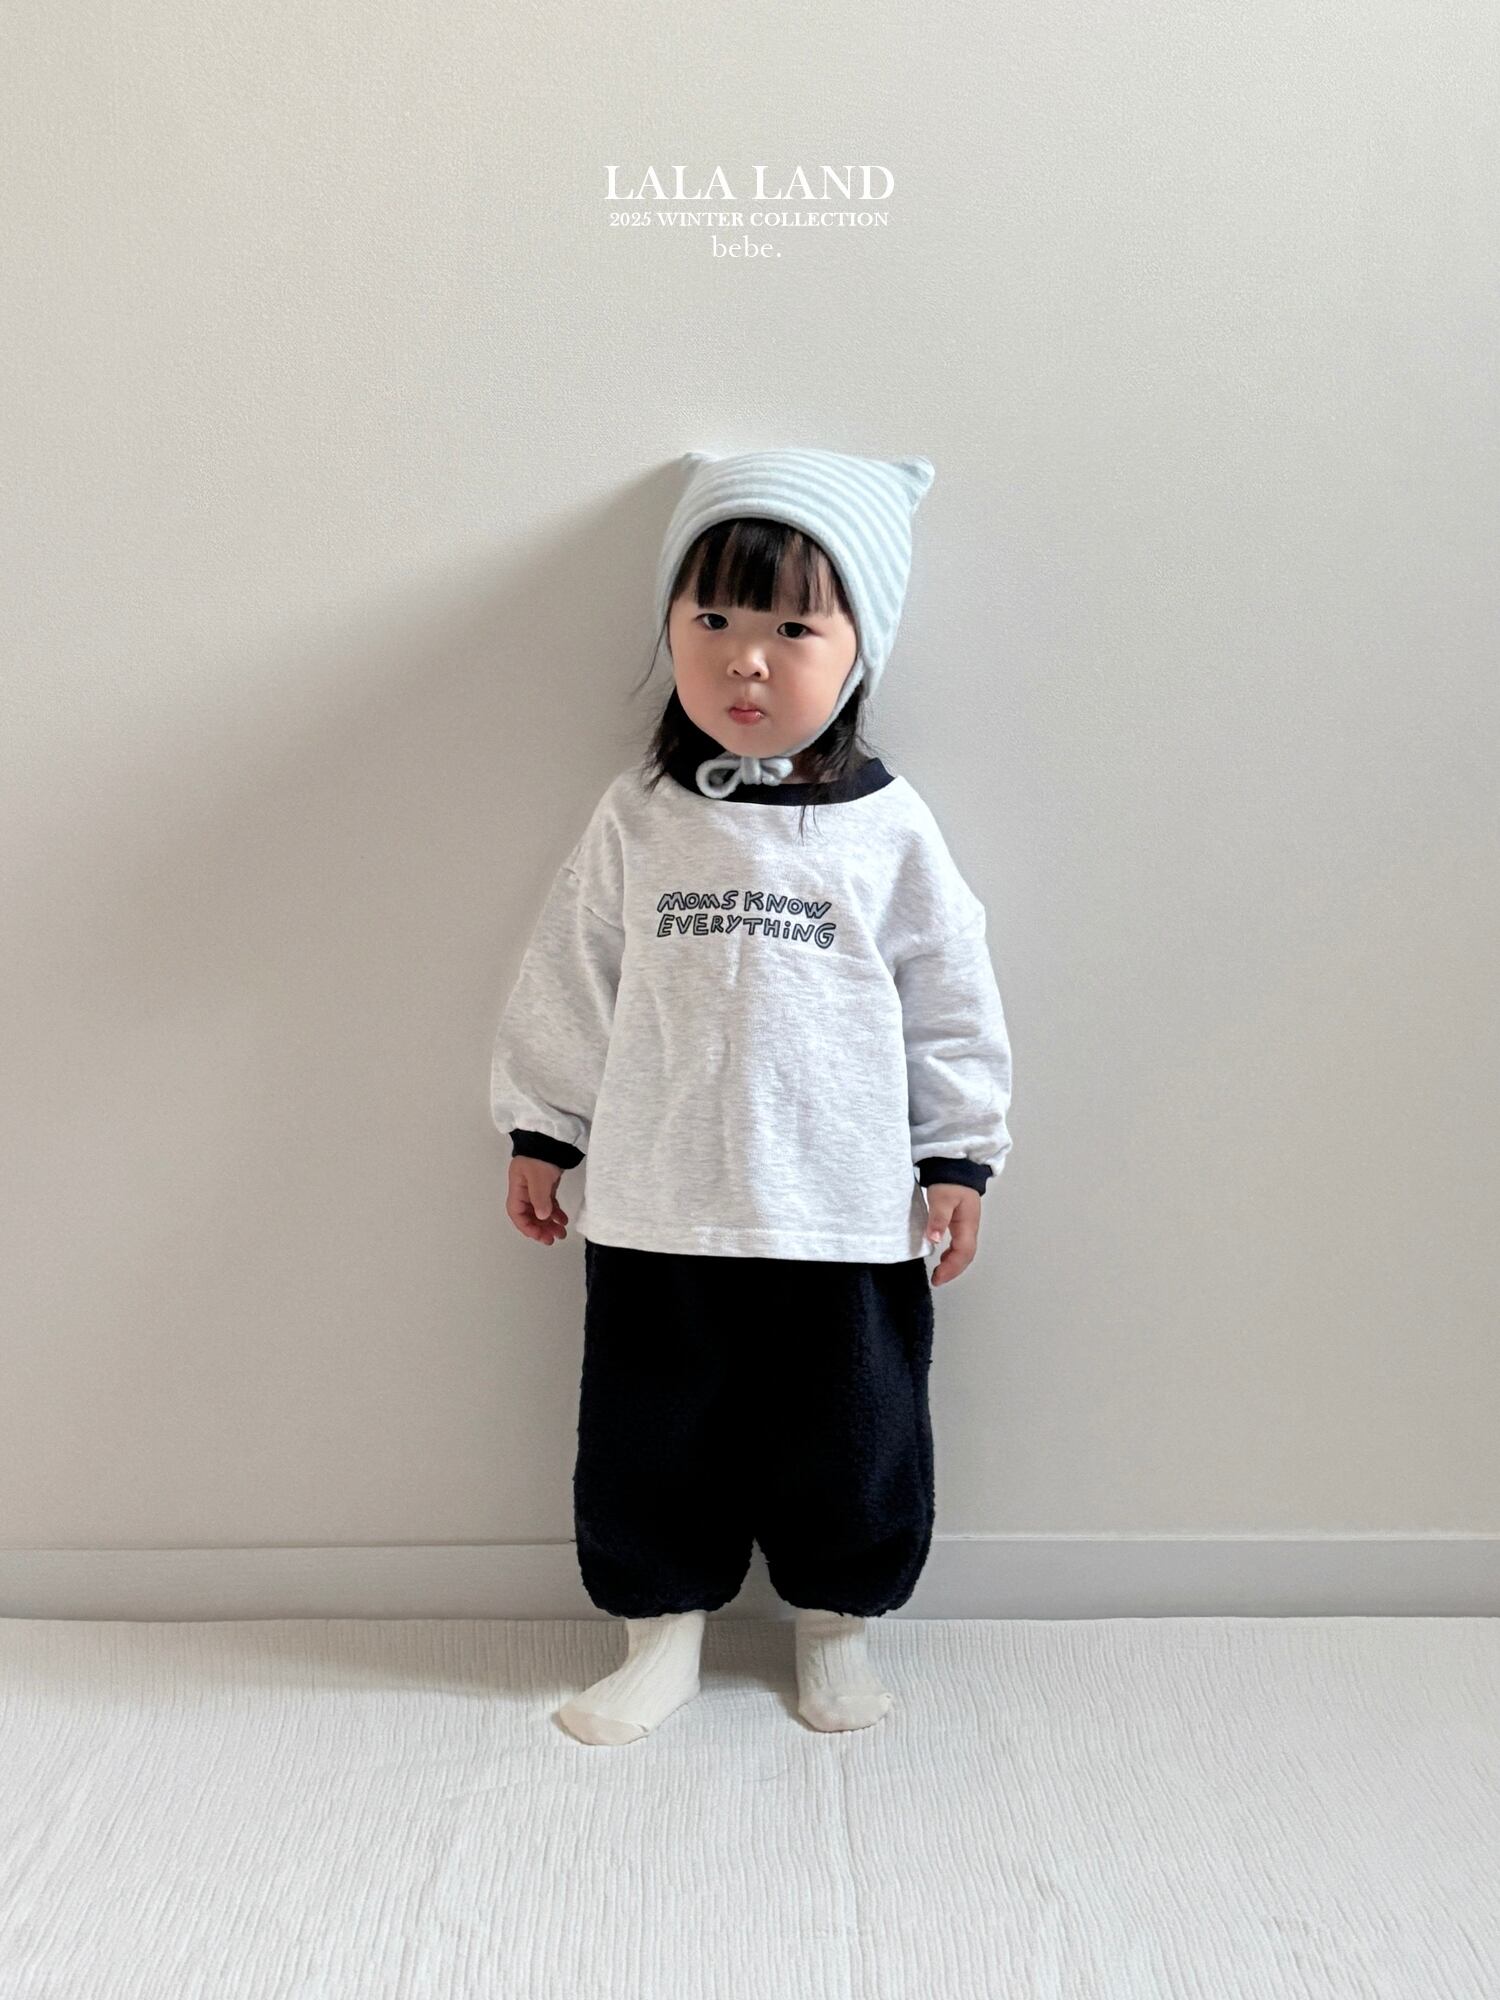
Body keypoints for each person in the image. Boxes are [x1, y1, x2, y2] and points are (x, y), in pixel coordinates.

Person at [489, 446, 1014, 1744]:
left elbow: (952, 996)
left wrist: (959, 1155)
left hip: (842, 1216)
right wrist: (543, 1126)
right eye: (713, 619)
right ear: (670, 629)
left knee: (853, 1438)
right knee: (650, 1435)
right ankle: (659, 1636)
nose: (748, 661)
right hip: (660, 1204)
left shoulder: (889, 830)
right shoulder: (640, 816)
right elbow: (573, 971)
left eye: (793, 629)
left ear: (860, 648)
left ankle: (835, 1629)